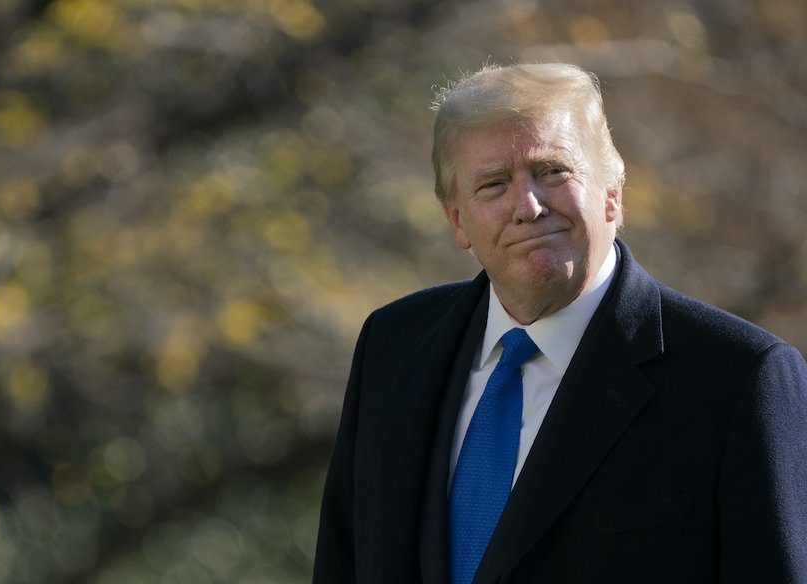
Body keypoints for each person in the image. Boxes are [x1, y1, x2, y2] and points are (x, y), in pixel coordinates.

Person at [312, 62, 807, 584]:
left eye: (553, 172)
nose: (526, 206)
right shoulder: (392, 346)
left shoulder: (739, 379)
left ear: (613, 192)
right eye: (492, 184)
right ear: (456, 219)